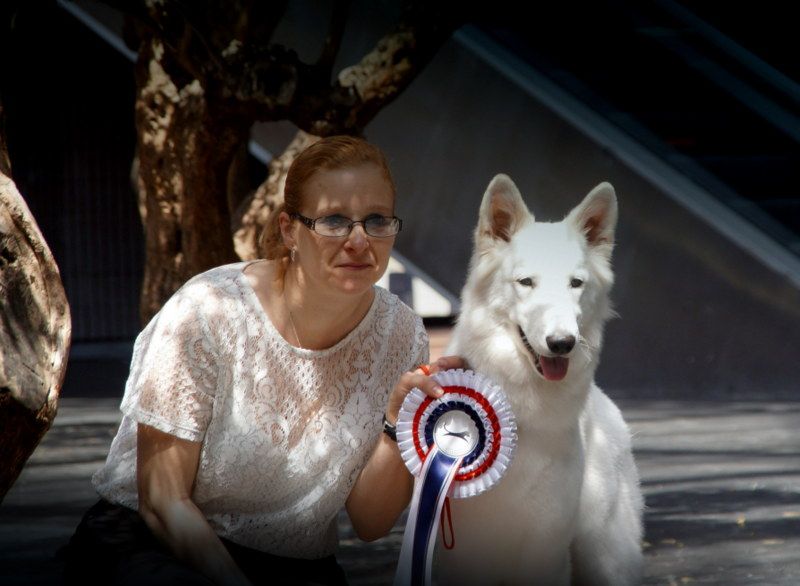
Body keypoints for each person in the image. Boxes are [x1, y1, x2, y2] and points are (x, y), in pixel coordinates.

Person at [62, 135, 463, 585]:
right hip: (156, 549)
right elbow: (163, 501)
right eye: (333, 220)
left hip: (296, 567)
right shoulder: (207, 310)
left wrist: (395, 422)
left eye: (376, 221)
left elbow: (370, 525)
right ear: (290, 230)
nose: (358, 240)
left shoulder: (402, 333)